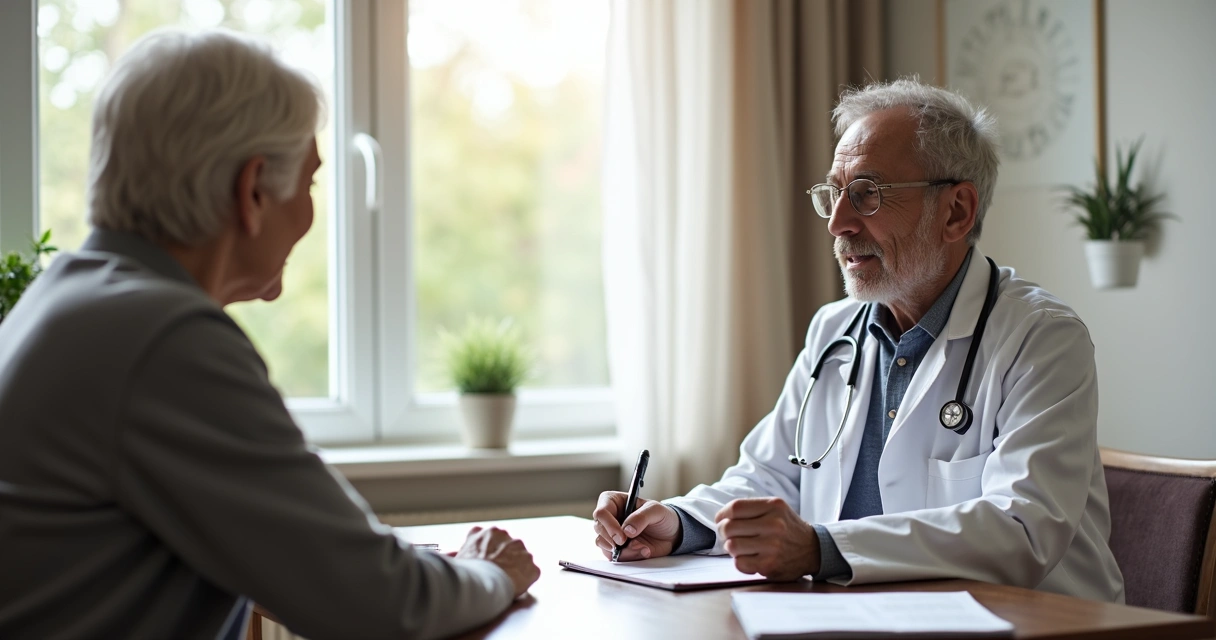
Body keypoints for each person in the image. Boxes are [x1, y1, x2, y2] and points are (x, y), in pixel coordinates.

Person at [0, 29, 539, 640]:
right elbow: (382, 604)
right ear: (253, 190)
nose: (310, 210)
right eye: (309, 183)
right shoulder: (164, 340)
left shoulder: (62, 298)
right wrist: (489, 571)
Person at [592, 79, 1125, 603]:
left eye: (868, 194)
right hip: (874, 616)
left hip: (1035, 624)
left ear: (956, 212)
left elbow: (1020, 530)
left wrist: (818, 547)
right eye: (835, 194)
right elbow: (770, 475)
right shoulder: (834, 329)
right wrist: (678, 522)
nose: (839, 223)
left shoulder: (1042, 338)